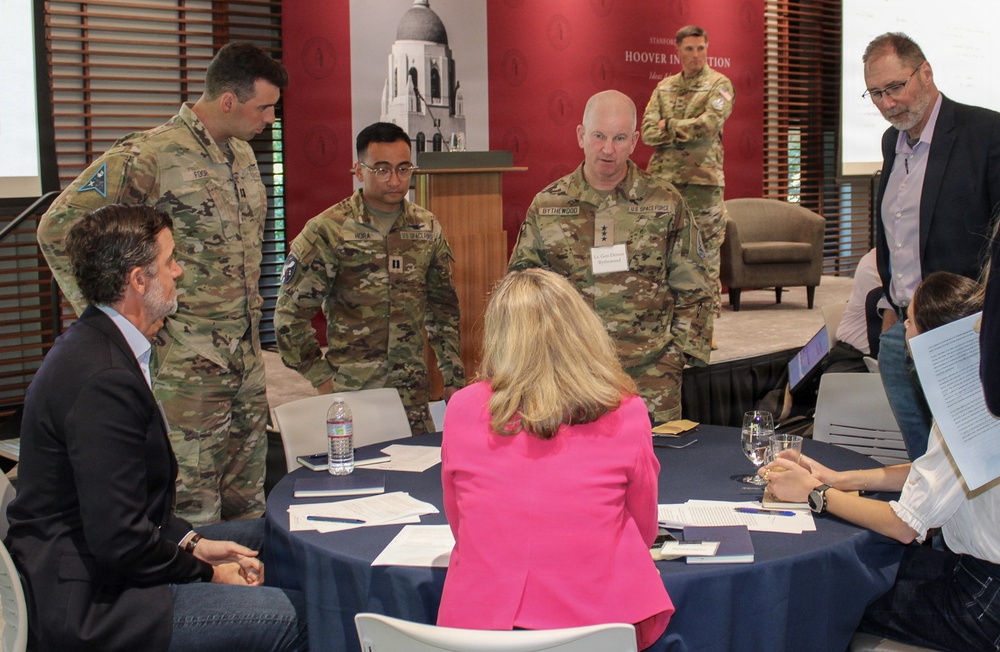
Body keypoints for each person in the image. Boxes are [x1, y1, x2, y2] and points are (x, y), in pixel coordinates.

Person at [6, 204, 307, 652]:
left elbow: (130, 510)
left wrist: (193, 542)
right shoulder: (102, 378)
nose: (179, 271)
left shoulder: (99, 343)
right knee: (300, 618)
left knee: (282, 536)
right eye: (169, 261)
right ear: (138, 280)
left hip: (102, 563)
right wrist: (206, 570)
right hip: (95, 604)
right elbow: (120, 539)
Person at [36, 42, 289, 525]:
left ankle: (254, 597)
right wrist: (109, 320)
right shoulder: (149, 155)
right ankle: (202, 602)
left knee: (250, 503)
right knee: (192, 507)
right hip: (185, 368)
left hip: (245, 361)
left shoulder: (243, 157)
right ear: (229, 101)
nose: (271, 119)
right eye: (264, 107)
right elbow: (58, 228)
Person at [761, 271, 998, 652]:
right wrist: (839, 478)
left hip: (980, 603)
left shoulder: (965, 407)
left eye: (909, 319)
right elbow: (938, 470)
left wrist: (815, 493)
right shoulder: (981, 388)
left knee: (828, 590)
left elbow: (904, 525)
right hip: (980, 581)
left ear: (928, 337)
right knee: (867, 564)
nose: (902, 327)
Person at [437, 268, 673, 650]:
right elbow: (645, 531)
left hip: (478, 629)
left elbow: (460, 523)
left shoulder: (463, 408)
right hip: (597, 631)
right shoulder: (626, 411)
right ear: (582, 329)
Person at [509, 90, 712, 422]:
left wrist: (677, 357)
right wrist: (539, 361)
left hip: (651, 378)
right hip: (569, 377)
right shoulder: (547, 207)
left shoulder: (665, 203)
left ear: (634, 141)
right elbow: (522, 293)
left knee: (659, 470)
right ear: (580, 135)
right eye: (599, 136)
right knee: (575, 468)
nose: (608, 149)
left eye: (619, 138)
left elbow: (695, 288)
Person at [274, 122, 464, 434]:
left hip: (411, 398)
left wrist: (452, 377)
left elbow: (443, 311)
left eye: (404, 169)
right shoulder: (329, 230)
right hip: (351, 396)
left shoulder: (426, 228)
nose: (395, 180)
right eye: (382, 169)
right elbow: (289, 318)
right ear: (359, 171)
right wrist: (323, 381)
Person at [863, 32, 1000, 459]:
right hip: (900, 336)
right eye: (875, 94)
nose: (887, 104)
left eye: (895, 88)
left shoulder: (987, 134)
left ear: (925, 72)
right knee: (922, 470)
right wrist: (889, 308)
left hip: (962, 338)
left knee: (967, 472)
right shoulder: (892, 142)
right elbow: (897, 234)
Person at [641, 25, 735, 343]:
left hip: (703, 185)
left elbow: (709, 125)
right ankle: (670, 324)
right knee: (667, 253)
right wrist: (679, 127)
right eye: (689, 49)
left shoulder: (719, 85)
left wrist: (670, 125)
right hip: (664, 185)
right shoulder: (663, 88)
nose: (695, 55)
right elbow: (648, 132)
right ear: (678, 51)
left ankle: (703, 329)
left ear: (707, 48)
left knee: (705, 255)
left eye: (700, 48)